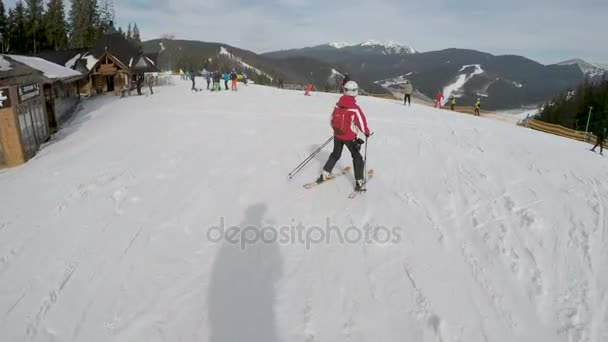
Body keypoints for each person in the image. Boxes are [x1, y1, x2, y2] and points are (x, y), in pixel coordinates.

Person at [317, 81, 371, 192]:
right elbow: (361, 122)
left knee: (335, 154)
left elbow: (331, 119)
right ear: (355, 91)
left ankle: (325, 173)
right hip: (349, 137)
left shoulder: (338, 104)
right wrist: (367, 132)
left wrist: (337, 130)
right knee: (357, 157)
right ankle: (359, 181)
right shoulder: (354, 107)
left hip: (337, 135)